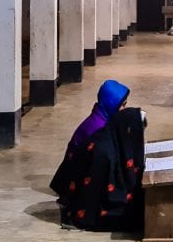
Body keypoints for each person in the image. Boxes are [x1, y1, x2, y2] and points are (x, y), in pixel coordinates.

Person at [50, 80, 145, 231]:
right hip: (77, 175)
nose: (124, 109)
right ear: (111, 104)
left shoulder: (102, 117)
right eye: (122, 105)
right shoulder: (98, 128)